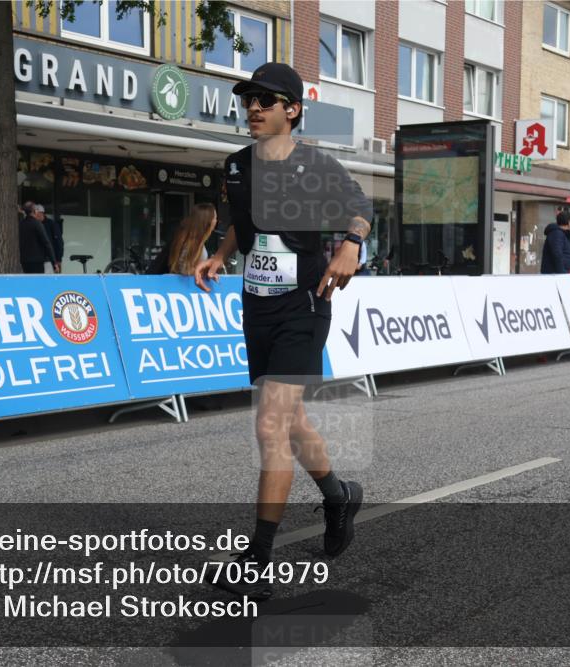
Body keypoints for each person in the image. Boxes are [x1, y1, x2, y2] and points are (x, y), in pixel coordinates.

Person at [194, 62, 371, 601]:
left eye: (265, 100)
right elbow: (242, 224)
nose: (253, 108)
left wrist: (351, 244)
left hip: (303, 307)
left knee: (271, 424)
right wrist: (219, 255)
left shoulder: (315, 164)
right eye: (248, 100)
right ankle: (338, 496)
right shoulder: (236, 165)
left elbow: (360, 209)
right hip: (257, 307)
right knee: (291, 423)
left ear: (292, 110)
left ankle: (257, 561)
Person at [147, 204, 217, 275]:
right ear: (208, 221)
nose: (216, 221)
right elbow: (184, 270)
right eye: (214, 218)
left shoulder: (192, 239)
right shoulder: (190, 242)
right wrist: (205, 270)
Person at [540, 210, 570, 274]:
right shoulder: (556, 233)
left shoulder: (564, 234)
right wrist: (562, 273)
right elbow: (557, 255)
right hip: (554, 275)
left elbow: (569, 258)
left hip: (560, 274)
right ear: (568, 222)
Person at [19, 204, 57, 274]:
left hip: (24, 260)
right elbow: (46, 243)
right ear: (34, 211)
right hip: (37, 261)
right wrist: (54, 262)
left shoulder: (21, 224)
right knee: (38, 279)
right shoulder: (37, 224)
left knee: (28, 279)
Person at [31, 204, 63, 273]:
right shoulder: (34, 224)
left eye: (37, 213)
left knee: (49, 278)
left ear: (42, 213)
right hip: (36, 260)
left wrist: (58, 259)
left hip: (49, 260)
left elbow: (59, 242)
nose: (35, 216)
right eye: (34, 214)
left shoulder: (51, 224)